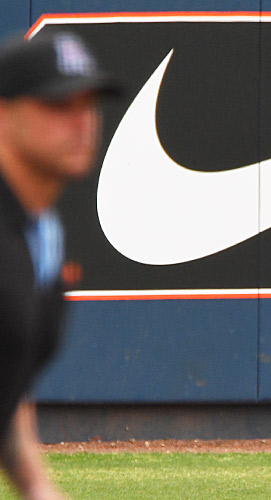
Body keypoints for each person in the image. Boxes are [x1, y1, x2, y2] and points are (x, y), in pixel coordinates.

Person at [0, 30, 121, 499]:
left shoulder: (42, 231)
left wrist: (35, 486)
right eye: (58, 105)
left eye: (89, 103)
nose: (82, 122)